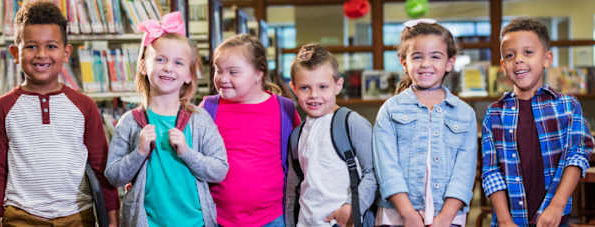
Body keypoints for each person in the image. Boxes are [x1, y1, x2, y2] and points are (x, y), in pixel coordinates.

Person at [0, 1, 119, 226]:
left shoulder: (85, 107)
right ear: (15, 53)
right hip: (20, 217)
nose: (41, 55)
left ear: (66, 53)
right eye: (31, 46)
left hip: (77, 218)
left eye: (51, 46)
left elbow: (101, 168)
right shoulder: (1, 109)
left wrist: (113, 218)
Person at [104, 11, 228, 227]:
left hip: (196, 222)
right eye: (160, 59)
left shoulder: (200, 120)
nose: (168, 67)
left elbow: (219, 169)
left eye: (178, 63)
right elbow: (113, 176)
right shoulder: (130, 121)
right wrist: (139, 152)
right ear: (143, 66)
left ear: (189, 75)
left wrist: (188, 154)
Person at [481, 17, 594, 227]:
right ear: (503, 65)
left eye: (528, 52)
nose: (518, 60)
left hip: (554, 218)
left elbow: (576, 156)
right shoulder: (494, 113)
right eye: (510, 55)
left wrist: (557, 206)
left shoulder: (568, 106)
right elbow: (491, 172)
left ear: (547, 58)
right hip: (510, 221)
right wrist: (505, 220)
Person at [372, 19, 478, 227]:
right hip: (397, 216)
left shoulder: (465, 114)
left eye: (435, 56)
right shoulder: (390, 110)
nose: (426, 64)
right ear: (404, 62)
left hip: (448, 218)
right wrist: (408, 215)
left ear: (449, 62)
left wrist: (445, 217)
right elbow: (386, 167)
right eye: (417, 57)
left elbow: (464, 173)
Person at [200, 34, 301, 227]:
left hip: (273, 217)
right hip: (216, 217)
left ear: (258, 73)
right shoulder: (208, 108)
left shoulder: (284, 109)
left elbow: (303, 158)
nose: (223, 78)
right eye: (218, 70)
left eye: (233, 72)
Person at [284, 44, 377, 227]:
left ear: (338, 85)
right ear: (293, 88)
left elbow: (372, 173)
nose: (314, 95)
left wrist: (352, 208)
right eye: (305, 88)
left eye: (323, 87)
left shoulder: (351, 123)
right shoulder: (297, 135)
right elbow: (293, 190)